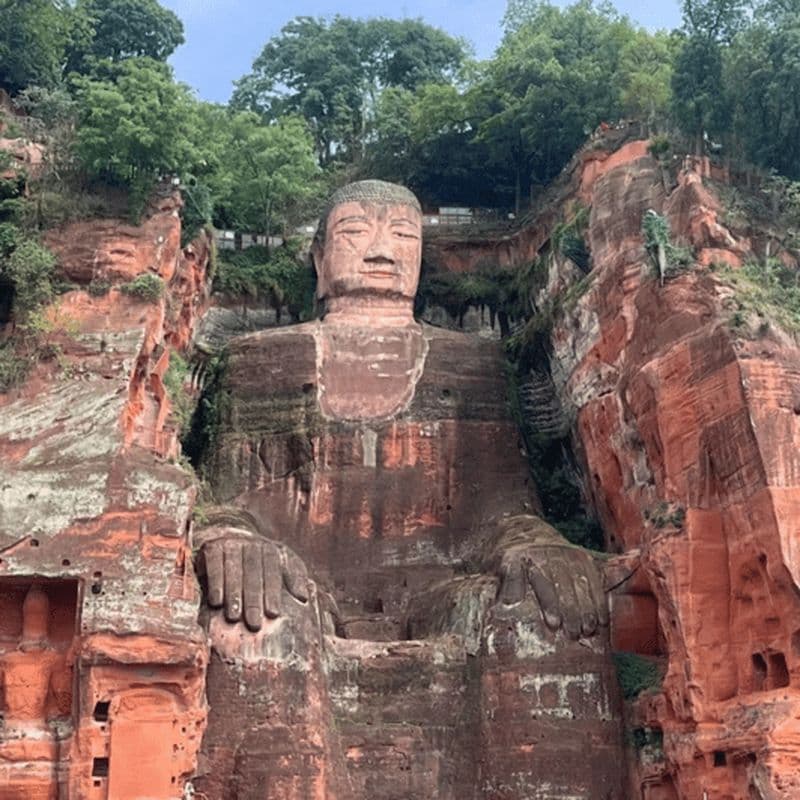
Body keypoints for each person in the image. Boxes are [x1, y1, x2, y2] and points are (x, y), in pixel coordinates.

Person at [193, 181, 624, 799]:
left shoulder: (471, 364)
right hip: (303, 591)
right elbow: (226, 502)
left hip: (442, 593)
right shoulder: (261, 360)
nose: (379, 251)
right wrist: (229, 536)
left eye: (402, 236)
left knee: (545, 611)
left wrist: (537, 545)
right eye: (353, 234)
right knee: (254, 617)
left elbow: (504, 513)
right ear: (319, 261)